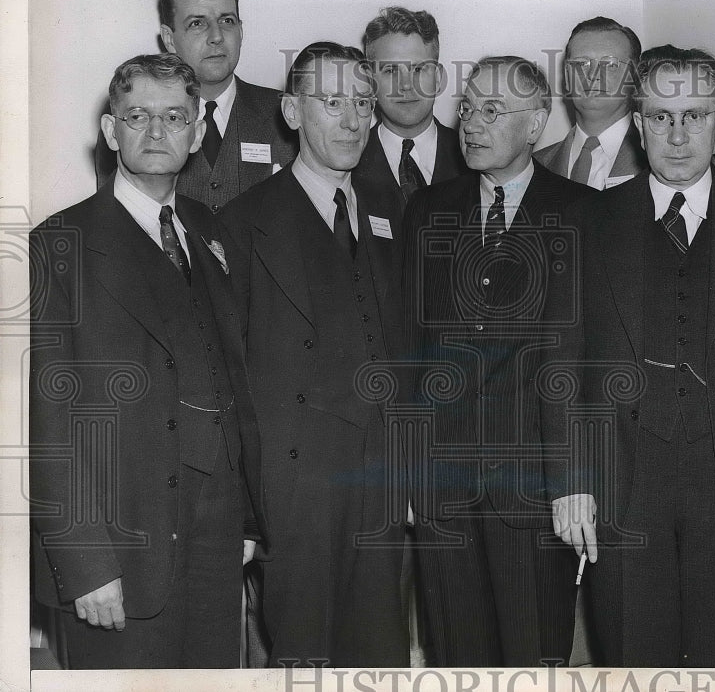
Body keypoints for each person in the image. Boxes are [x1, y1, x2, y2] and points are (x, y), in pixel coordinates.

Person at [542, 45, 715, 666]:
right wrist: (571, 481)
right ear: (638, 122)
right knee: (633, 661)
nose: (677, 133)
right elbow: (563, 364)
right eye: (661, 116)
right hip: (621, 490)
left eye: (694, 115)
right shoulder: (590, 221)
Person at [30, 53, 264, 668]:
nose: (157, 132)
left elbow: (231, 381)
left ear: (193, 131)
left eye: (174, 117)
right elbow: (46, 422)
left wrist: (246, 521)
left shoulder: (209, 228)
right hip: (120, 553)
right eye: (138, 117)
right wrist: (84, 565)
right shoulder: (62, 244)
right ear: (111, 132)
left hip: (215, 549)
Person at [218, 42, 409, 667]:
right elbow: (230, 383)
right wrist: (247, 511)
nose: (353, 120)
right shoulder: (241, 224)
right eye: (333, 103)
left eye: (362, 103)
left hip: (378, 481)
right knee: (305, 660)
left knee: (380, 654)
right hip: (295, 489)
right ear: (293, 113)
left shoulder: (388, 215)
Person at [402, 56, 590, 666]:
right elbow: (410, 349)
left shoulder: (586, 215)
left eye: (493, 111)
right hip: (443, 489)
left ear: (536, 125)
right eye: (468, 108)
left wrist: (573, 481)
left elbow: (590, 362)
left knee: (535, 657)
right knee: (456, 657)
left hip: (535, 489)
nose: (472, 124)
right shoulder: (428, 211)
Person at [95, 0, 297, 210]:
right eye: (197, 24)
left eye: (227, 20)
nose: (217, 36)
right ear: (170, 38)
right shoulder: (132, 123)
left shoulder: (286, 114)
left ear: (241, 31)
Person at [354, 6, 466, 234]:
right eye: (391, 71)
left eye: (418, 69)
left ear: (437, 78)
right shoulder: (349, 160)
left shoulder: (474, 159)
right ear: (370, 80)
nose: (406, 85)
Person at [533, 16, 646, 189]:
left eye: (610, 64)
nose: (593, 75)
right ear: (567, 78)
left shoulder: (657, 161)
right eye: (581, 64)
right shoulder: (535, 166)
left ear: (634, 77)